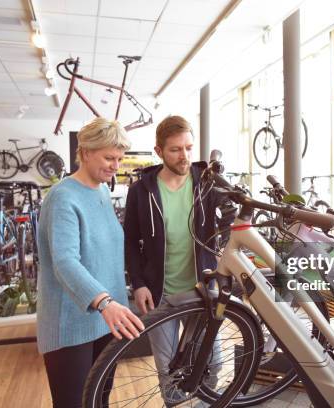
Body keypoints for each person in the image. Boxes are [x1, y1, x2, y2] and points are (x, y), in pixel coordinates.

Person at [37, 117, 144, 408]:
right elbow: (65, 262)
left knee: (99, 401)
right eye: (109, 157)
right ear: (85, 152)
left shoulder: (100, 191)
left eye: (119, 159)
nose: (115, 166)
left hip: (105, 320)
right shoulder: (62, 197)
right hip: (71, 325)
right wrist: (105, 303)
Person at [123, 115, 228, 403]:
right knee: (169, 372)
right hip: (161, 295)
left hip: (202, 292)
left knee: (213, 363)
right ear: (158, 151)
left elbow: (232, 218)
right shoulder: (141, 192)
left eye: (189, 148)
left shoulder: (206, 183)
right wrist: (138, 283)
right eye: (175, 150)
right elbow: (130, 242)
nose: (184, 156)